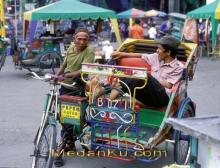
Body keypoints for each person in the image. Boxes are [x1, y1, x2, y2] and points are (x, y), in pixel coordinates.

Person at [54, 27, 95, 167]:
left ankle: (61, 149)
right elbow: (64, 64)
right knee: (62, 116)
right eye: (79, 38)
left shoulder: (90, 50)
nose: (82, 41)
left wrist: (71, 74)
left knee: (70, 117)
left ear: (88, 40)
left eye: (85, 39)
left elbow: (85, 69)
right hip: (65, 86)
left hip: (78, 88)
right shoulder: (71, 47)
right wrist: (57, 75)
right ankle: (70, 142)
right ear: (74, 39)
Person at [108, 36, 184, 108]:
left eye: (159, 49)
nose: (157, 51)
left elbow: (169, 85)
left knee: (143, 75)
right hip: (148, 93)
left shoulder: (178, 67)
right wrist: (121, 54)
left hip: (162, 98)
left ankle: (113, 96)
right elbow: (141, 55)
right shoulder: (156, 57)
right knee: (131, 72)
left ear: (168, 52)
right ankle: (110, 90)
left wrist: (149, 79)